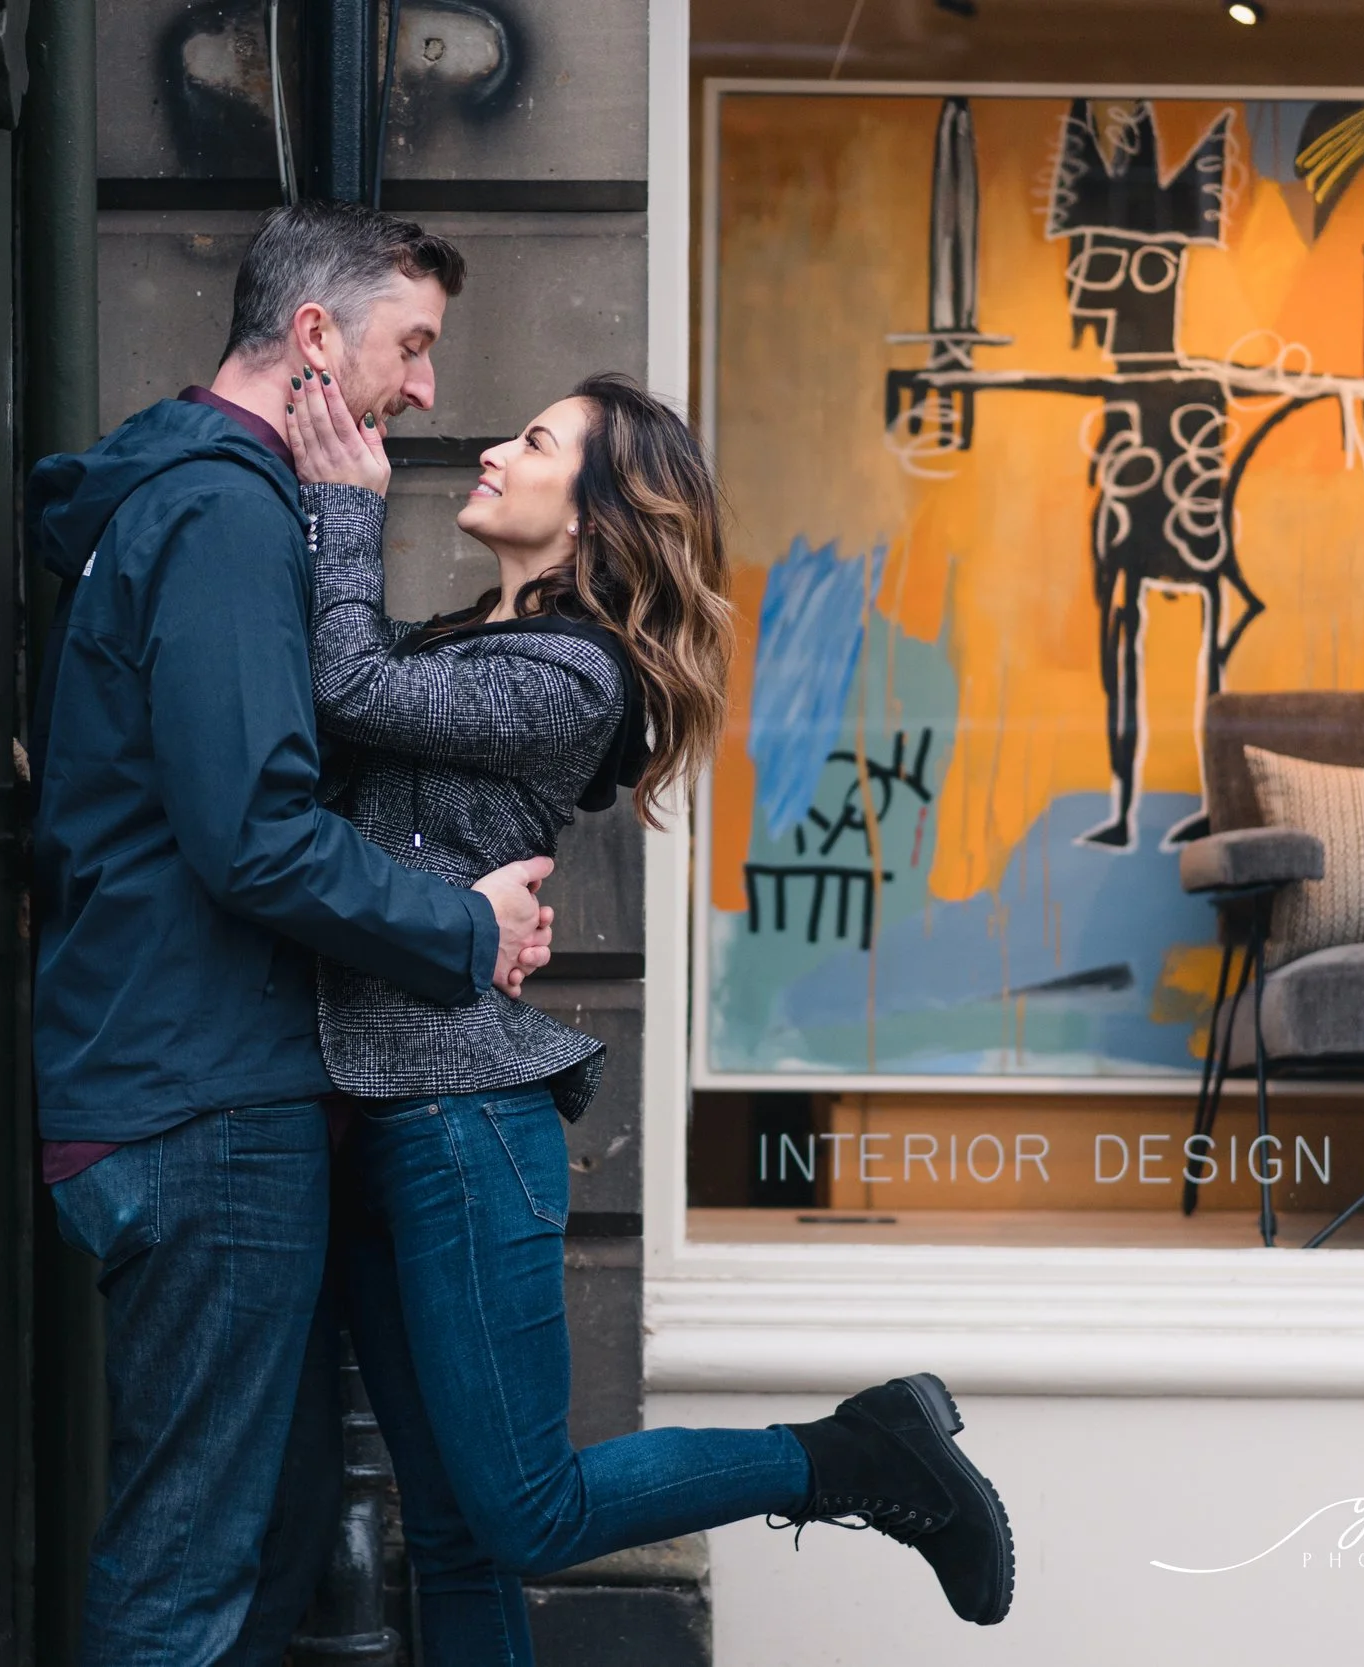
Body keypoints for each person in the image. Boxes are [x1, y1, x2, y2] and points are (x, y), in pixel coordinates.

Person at [281, 369, 1018, 1663]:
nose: (497, 452)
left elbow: (343, 689)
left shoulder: (572, 670)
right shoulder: (467, 639)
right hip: (376, 1099)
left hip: (459, 1116)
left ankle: (850, 1454)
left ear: (595, 514)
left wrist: (345, 502)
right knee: (451, 1527)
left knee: (521, 1507)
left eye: (537, 439)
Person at [23, 201, 560, 1667]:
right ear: (315, 337)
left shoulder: (209, 499)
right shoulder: (219, 514)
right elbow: (251, 830)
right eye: (414, 344)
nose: (429, 390)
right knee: (195, 1566)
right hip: (199, 1097)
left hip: (195, 1081)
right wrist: (462, 925)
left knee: (252, 1547)